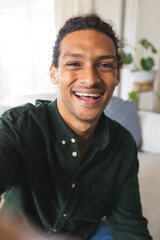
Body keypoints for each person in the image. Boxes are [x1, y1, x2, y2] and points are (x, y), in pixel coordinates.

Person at [0, 13, 152, 240]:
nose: (90, 79)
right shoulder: (18, 126)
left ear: (117, 76)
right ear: (54, 73)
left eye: (104, 65)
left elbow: (129, 224)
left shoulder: (123, 145)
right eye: (74, 63)